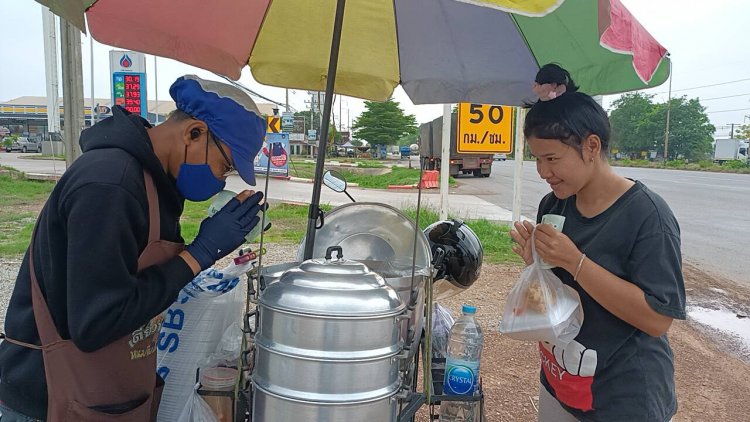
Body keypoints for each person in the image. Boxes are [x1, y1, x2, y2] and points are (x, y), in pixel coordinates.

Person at [0, 75, 268, 421]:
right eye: (226, 165)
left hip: (106, 394)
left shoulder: (154, 185)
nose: (222, 179)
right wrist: (199, 253)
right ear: (194, 133)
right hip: (49, 399)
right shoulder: (111, 184)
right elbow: (97, 322)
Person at [510, 74, 685, 421]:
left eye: (553, 159)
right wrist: (538, 266)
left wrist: (575, 262)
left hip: (623, 399)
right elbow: (559, 296)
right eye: (537, 159)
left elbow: (657, 319)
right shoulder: (554, 204)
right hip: (561, 381)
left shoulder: (647, 216)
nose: (543, 171)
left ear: (592, 146)